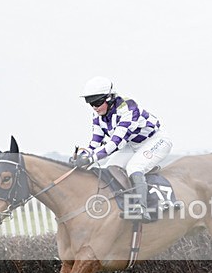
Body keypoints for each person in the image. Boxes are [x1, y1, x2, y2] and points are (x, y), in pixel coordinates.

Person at [72, 76, 172, 222]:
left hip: (156, 140)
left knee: (134, 167)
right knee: (111, 167)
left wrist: (91, 158)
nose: (94, 106)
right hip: (131, 144)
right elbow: (95, 143)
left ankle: (142, 208)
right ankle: (125, 203)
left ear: (110, 98)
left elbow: (115, 143)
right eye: (90, 102)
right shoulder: (98, 115)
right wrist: (81, 156)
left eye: (97, 102)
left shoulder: (128, 108)